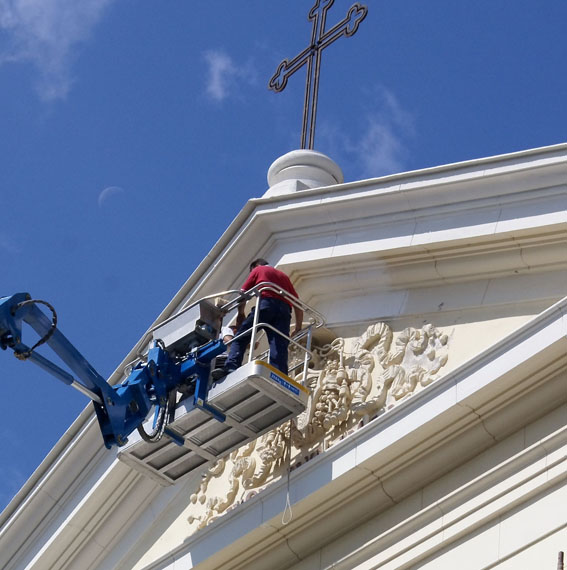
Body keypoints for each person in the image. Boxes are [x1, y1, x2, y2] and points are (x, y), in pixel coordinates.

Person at [212, 259, 303, 379]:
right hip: (284, 312)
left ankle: (231, 366)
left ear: (255, 266)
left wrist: (240, 314)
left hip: (266, 305)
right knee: (279, 345)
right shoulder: (283, 276)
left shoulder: (258, 270)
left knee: (241, 337)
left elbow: (243, 294)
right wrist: (298, 327)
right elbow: (297, 304)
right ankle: (279, 375)